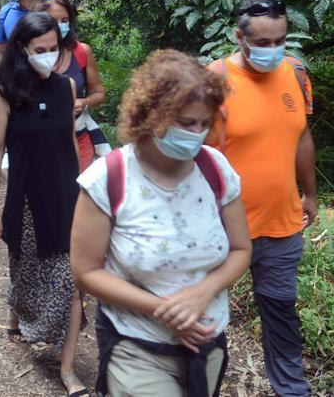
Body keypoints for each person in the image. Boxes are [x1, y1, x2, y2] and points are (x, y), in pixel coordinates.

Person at [71, 50, 251, 397]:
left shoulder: (215, 169)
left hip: (207, 342)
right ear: (151, 115)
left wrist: (202, 293)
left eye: (204, 123)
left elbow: (242, 249)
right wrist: (165, 310)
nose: (196, 134)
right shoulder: (108, 178)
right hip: (136, 343)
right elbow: (85, 271)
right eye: (185, 123)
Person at [205, 0, 317, 397]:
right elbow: (197, 153)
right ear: (240, 37)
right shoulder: (215, 79)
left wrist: (310, 195)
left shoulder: (297, 72)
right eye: (263, 43)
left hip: (281, 224)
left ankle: (292, 390)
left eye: (279, 40)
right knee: (207, 319)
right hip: (222, 229)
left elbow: (302, 134)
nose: (273, 50)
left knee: (280, 311)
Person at [0, 12, 87, 397]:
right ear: (23, 50)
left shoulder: (65, 89)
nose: (47, 55)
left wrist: (83, 195)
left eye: (53, 48)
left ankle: (68, 369)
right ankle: (15, 314)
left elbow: (71, 147)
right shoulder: (7, 92)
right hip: (24, 201)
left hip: (64, 197)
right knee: (23, 270)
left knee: (73, 283)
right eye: (38, 50)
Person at [42, 0, 110, 172]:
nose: (60, 26)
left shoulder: (81, 51)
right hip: (42, 137)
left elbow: (99, 93)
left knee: (78, 191)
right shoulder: (31, 54)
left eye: (65, 21)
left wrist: (84, 102)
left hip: (79, 134)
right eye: (54, 20)